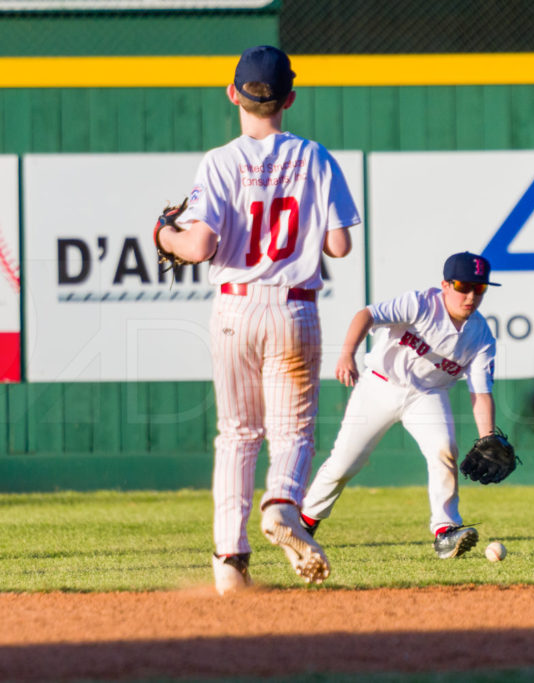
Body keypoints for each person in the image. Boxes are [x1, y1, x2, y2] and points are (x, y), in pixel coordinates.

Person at [155, 45, 361, 592]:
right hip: (294, 305)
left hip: (234, 307)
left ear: (233, 93)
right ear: (290, 98)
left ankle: (229, 562)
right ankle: (282, 504)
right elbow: (338, 245)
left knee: (236, 435)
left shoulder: (220, 160)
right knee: (291, 429)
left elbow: (197, 246)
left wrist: (162, 234)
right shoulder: (315, 156)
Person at [300, 252, 499, 559]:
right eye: (463, 286)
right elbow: (366, 314)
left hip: (427, 395)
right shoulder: (421, 303)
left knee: (444, 449)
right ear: (445, 285)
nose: (471, 296)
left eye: (480, 289)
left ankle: (445, 532)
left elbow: (481, 391)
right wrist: (346, 355)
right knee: (344, 464)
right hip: (380, 384)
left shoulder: (481, 335)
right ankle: (304, 522)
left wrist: (487, 436)